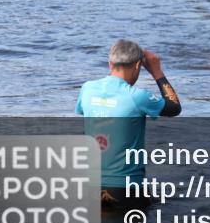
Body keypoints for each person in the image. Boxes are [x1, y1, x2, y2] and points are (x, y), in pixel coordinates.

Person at [75, 39, 182, 210]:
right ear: (138, 65)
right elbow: (174, 107)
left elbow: (86, 111)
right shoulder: (137, 96)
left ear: (110, 63)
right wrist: (157, 72)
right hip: (126, 189)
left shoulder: (87, 89)